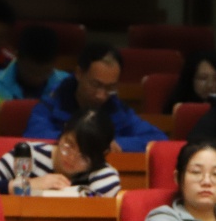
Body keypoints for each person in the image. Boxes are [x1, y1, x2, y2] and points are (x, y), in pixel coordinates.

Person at [23, 43, 166, 153]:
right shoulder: (52, 103)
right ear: (79, 74)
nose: (101, 95)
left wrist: (119, 144)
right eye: (96, 85)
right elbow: (33, 137)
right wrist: (86, 141)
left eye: (110, 87)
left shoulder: (118, 109)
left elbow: (158, 139)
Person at [0, 110, 119, 197]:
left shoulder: (103, 174)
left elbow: (95, 205)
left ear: (101, 155)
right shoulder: (31, 154)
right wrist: (25, 186)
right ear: (63, 132)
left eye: (83, 156)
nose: (71, 157)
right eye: (69, 145)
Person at [0, 24, 67, 113]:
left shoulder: (68, 85)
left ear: (55, 63)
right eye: (31, 72)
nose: (37, 78)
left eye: (45, 72)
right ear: (17, 57)